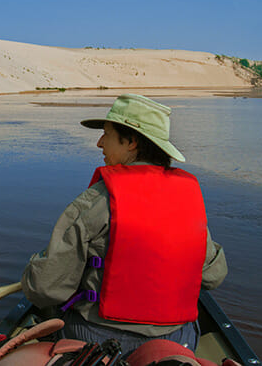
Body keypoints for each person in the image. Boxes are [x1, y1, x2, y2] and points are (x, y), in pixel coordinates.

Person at [21, 94, 228, 355]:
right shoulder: (188, 199)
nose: (99, 143)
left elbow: (46, 288)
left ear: (131, 142)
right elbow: (214, 276)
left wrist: (33, 271)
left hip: (98, 336)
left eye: (106, 134)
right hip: (177, 338)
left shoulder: (95, 200)